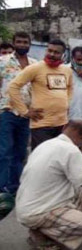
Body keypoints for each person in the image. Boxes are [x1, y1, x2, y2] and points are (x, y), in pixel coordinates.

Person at [15, 120, 82, 250]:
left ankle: (42, 229)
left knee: (76, 193)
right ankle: (44, 238)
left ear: (64, 127)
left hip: (24, 207)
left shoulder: (46, 145)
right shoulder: (71, 150)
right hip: (37, 212)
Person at [8, 39, 73, 150]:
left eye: (56, 52)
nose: (52, 54)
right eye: (50, 50)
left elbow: (69, 88)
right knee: (42, 160)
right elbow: (13, 87)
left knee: (58, 158)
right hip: (41, 125)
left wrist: (66, 104)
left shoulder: (67, 70)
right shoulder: (35, 68)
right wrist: (25, 111)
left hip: (62, 123)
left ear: (63, 54)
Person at [0, 32, 37, 193]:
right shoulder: (3, 61)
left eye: (25, 42)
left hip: (27, 114)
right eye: (19, 42)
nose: (22, 44)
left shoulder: (35, 64)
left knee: (20, 153)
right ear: (14, 43)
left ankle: (15, 188)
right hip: (7, 111)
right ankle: (2, 189)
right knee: (5, 151)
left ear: (30, 44)